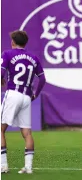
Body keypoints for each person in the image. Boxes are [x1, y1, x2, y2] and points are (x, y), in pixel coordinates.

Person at [1, 30, 46, 174]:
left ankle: (3, 165)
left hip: (13, 93)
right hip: (27, 96)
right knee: (27, 133)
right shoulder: (33, 57)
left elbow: (1, 73)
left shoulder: (7, 54)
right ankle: (28, 167)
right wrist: (35, 95)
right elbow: (43, 79)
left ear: (13, 42)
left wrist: (2, 80)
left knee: (1, 129)